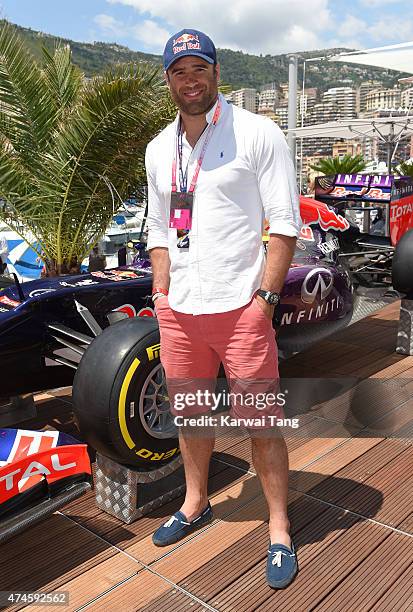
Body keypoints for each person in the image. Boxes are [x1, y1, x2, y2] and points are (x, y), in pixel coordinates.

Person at [145, 29, 301, 589]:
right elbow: (159, 227)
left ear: (216, 72)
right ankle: (195, 502)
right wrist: (161, 294)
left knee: (260, 423)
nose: (191, 80)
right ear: (168, 80)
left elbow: (284, 223)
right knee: (191, 415)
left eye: (199, 69)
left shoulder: (258, 133)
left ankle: (279, 526)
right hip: (180, 311)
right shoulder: (159, 148)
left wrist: (264, 301)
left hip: (242, 310)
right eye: (179, 71)